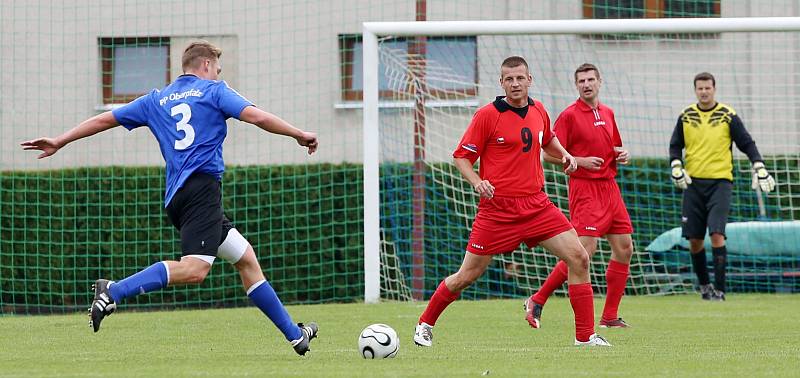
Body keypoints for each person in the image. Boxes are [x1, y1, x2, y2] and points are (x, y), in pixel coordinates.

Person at [20, 41, 320, 355]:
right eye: (216, 68)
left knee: (245, 259)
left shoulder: (156, 99)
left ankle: (295, 336)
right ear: (205, 65)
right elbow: (256, 117)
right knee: (194, 270)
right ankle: (114, 290)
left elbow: (104, 120)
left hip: (177, 198)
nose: (218, 74)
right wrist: (299, 134)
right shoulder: (215, 91)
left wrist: (60, 140)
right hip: (202, 191)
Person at [412, 56, 611, 348]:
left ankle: (585, 338)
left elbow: (547, 139)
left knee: (579, 257)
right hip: (498, 211)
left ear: (529, 80)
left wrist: (565, 154)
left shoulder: (539, 108)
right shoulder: (487, 115)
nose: (515, 83)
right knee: (467, 275)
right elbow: (461, 156)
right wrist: (478, 181)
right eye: (509, 79)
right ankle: (425, 324)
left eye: (520, 78)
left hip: (537, 206)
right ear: (501, 83)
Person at [525, 63, 634, 330]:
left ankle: (610, 316)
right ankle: (537, 300)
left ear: (600, 81)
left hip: (610, 188)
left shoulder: (607, 113)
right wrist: (579, 161)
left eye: (590, 79)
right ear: (576, 86)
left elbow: (612, 148)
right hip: (585, 190)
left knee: (625, 248)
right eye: (581, 81)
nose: (586, 84)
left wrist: (622, 154)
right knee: (583, 251)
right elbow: (547, 154)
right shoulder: (570, 116)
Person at [669, 72, 775, 301]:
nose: (704, 92)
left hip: (720, 183)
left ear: (714, 89)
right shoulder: (686, 116)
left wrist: (759, 166)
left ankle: (720, 289)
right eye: (700, 88)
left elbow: (746, 142)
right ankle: (705, 287)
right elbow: (675, 145)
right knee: (694, 239)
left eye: (708, 88)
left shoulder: (727, 115)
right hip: (693, 184)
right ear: (695, 90)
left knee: (717, 234)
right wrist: (676, 165)